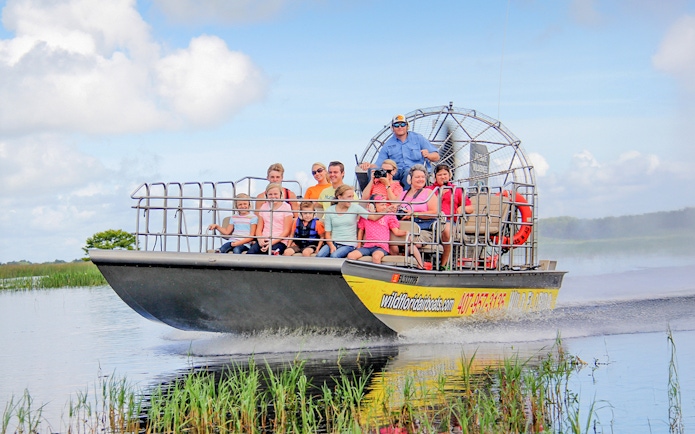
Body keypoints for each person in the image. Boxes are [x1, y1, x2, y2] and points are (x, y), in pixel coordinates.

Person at [359, 114, 440, 189]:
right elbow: (379, 164)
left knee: (409, 173)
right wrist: (368, 166)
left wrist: (428, 155)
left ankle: (407, 199)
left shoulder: (418, 138)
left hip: (414, 172)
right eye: (396, 125)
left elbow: (436, 157)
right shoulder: (388, 144)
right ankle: (376, 198)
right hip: (395, 173)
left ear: (407, 126)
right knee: (373, 171)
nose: (400, 127)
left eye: (403, 124)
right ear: (392, 128)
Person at [347, 194, 423, 267]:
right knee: (351, 255)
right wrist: (359, 246)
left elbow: (396, 232)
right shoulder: (366, 216)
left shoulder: (389, 215)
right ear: (372, 206)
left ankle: (376, 277)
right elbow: (361, 231)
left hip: (381, 247)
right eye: (381, 205)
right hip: (367, 246)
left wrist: (406, 232)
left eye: (385, 205)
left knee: (376, 257)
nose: (384, 207)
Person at [426, 163, 474, 267]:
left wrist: (463, 208)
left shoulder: (457, 190)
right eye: (440, 175)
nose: (443, 177)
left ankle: (444, 264)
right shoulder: (429, 190)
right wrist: (439, 195)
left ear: (450, 175)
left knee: (446, 231)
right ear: (435, 177)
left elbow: (471, 208)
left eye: (445, 174)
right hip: (430, 218)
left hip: (448, 220)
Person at [316, 184, 371, 258]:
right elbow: (327, 234)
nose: (352, 199)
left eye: (352, 197)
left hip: (349, 244)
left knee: (334, 256)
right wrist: (331, 246)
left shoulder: (355, 208)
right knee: (319, 255)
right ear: (339, 197)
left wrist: (386, 211)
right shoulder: (330, 210)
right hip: (334, 242)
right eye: (349, 197)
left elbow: (372, 217)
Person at [247, 183, 294, 255]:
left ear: (280, 194)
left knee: (272, 253)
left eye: (275, 194)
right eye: (270, 194)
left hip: (279, 241)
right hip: (264, 239)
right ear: (267, 195)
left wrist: (271, 242)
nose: (273, 196)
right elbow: (259, 229)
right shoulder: (263, 206)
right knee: (250, 254)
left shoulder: (286, 207)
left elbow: (287, 231)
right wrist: (260, 240)